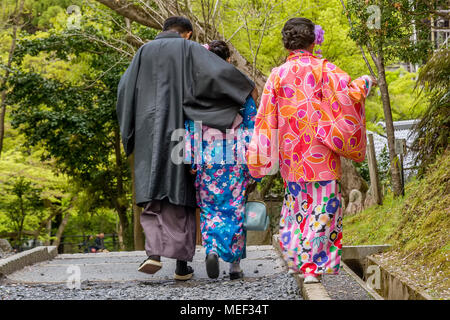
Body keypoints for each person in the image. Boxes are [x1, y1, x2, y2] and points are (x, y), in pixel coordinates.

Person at [116, 17, 255, 281]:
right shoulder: (187, 48)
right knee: (182, 195)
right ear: (188, 34)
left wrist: (130, 131)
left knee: (153, 191)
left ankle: (154, 252)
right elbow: (218, 74)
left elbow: (124, 90)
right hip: (183, 131)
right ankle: (181, 266)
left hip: (149, 132)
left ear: (163, 29)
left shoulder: (142, 52)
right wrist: (244, 87)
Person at [247, 18, 377, 284]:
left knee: (297, 207)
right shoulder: (324, 69)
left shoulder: (277, 74)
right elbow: (350, 95)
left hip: (291, 152)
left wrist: (262, 156)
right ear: (312, 40)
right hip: (322, 151)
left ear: (287, 43)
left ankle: (297, 259)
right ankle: (312, 268)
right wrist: (366, 81)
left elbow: (265, 118)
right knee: (323, 207)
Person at [184, 40, 258, 280]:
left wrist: (192, 158)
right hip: (235, 154)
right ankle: (235, 266)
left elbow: (190, 125)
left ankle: (212, 249)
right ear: (228, 60)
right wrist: (252, 159)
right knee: (235, 207)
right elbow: (251, 123)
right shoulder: (240, 86)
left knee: (209, 208)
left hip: (207, 155)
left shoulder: (197, 87)